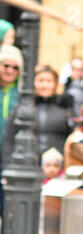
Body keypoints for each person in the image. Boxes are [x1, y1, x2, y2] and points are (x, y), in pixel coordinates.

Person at [3, 64, 75, 165]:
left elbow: (73, 139)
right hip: (27, 165)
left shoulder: (65, 108)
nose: (44, 85)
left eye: (49, 81)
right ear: (33, 83)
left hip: (57, 166)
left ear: (55, 84)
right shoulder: (22, 108)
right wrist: (8, 165)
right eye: (40, 81)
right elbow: (9, 140)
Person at [0, 44, 22, 222]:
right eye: (5, 65)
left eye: (15, 67)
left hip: (10, 160)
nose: (9, 70)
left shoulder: (22, 95)